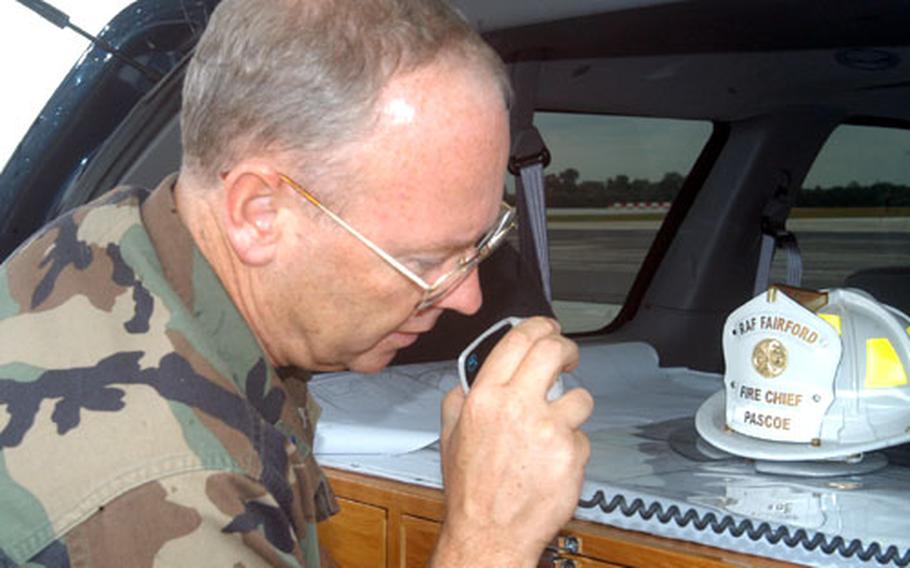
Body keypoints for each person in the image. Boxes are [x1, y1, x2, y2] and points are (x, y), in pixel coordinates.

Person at [0, 0, 593, 565]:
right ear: (260, 215)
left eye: (480, 246)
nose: (469, 297)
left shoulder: (115, 241)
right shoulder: (167, 493)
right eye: (426, 260)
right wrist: (490, 540)